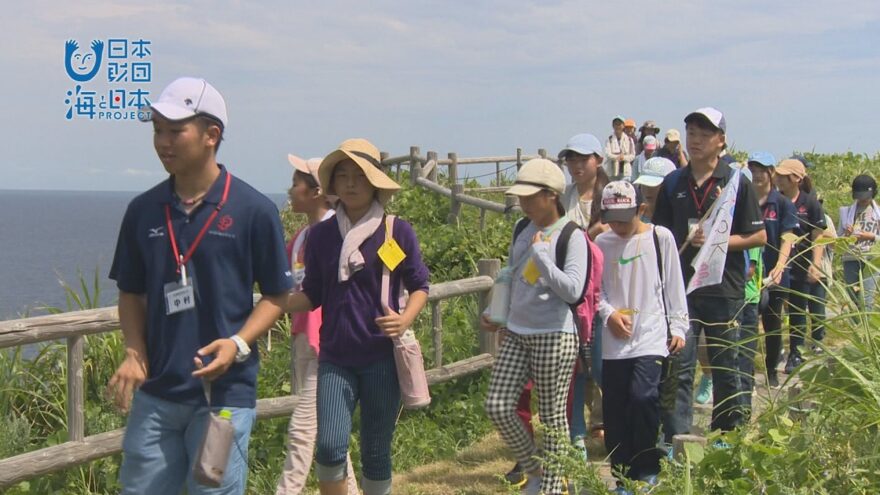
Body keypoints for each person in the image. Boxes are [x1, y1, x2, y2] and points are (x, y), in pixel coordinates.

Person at [107, 77, 294, 494]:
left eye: (175, 130)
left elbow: (278, 296)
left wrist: (238, 343)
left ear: (213, 135)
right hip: (155, 396)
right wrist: (135, 353)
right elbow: (131, 292)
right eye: (157, 130)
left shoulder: (254, 210)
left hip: (223, 399)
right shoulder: (142, 211)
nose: (162, 142)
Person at [283, 138, 430, 495]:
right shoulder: (320, 236)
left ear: (375, 182)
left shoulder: (396, 231)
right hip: (335, 356)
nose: (349, 183)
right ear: (331, 185)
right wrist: (275, 302)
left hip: (381, 354)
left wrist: (405, 318)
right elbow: (313, 293)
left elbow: (420, 284)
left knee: (376, 451)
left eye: (359, 176)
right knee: (330, 446)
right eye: (342, 175)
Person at [652, 107, 766, 441]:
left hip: (725, 289)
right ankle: (677, 440)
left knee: (727, 367)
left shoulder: (736, 182)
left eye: (705, 134)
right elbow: (661, 234)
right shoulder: (673, 182)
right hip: (682, 289)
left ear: (721, 141)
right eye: (692, 133)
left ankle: (726, 440)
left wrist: (717, 242)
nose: (697, 140)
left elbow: (758, 236)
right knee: (678, 367)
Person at [482, 158, 589, 495]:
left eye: (530, 197)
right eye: (521, 197)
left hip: (555, 334)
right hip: (517, 331)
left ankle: (553, 488)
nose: (523, 203)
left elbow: (573, 289)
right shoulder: (521, 228)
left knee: (554, 419)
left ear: (550, 195)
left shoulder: (572, 235)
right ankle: (536, 470)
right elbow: (513, 276)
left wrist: (542, 255)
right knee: (497, 405)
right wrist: (497, 312)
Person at [596, 181, 687, 487]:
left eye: (624, 217)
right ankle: (622, 475)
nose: (618, 225)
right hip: (614, 341)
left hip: (651, 335)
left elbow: (674, 284)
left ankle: (648, 466)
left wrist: (679, 326)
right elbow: (597, 291)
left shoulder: (661, 238)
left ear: (641, 210)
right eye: (612, 218)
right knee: (616, 410)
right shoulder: (602, 243)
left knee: (644, 398)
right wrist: (608, 315)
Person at [276, 156, 358, 494]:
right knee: (329, 429)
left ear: (317, 191)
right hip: (303, 338)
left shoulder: (336, 234)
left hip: (328, 343)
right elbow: (275, 279)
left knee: (301, 430)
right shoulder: (302, 236)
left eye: (296, 183)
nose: (290, 190)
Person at [746, 152, 797, 388]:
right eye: (753, 170)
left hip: (775, 274)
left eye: (761, 170)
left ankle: (770, 370)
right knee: (747, 325)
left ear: (771, 173)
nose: (757, 175)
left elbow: (788, 237)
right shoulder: (744, 200)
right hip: (747, 275)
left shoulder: (783, 203)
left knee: (773, 325)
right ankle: (745, 372)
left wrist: (779, 266)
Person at [773, 159, 826, 374]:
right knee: (774, 310)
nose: (777, 179)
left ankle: (796, 352)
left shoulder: (810, 203)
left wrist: (815, 264)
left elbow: (818, 236)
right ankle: (775, 351)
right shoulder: (775, 200)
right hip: (777, 264)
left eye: (782, 175)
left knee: (797, 310)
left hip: (801, 265)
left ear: (795, 179)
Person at [839, 174, 879, 311]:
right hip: (851, 258)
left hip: (871, 259)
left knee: (867, 297)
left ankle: (865, 329)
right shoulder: (846, 212)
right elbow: (838, 241)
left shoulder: (877, 213)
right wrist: (846, 235)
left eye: (865, 197)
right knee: (853, 298)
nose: (862, 200)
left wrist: (871, 236)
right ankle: (856, 327)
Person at [633, 157, 675, 222]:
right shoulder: (634, 216)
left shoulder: (679, 216)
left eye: (653, 185)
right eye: (644, 184)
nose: (647, 189)